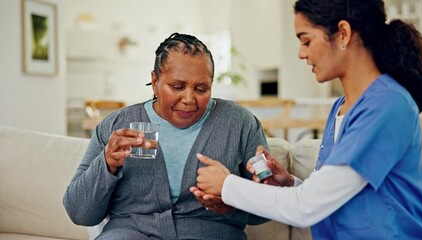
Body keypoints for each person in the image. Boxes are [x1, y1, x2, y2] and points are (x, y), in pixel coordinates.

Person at [191, 0, 422, 239]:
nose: (301, 53)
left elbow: (306, 207)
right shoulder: (341, 108)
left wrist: (227, 184)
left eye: (306, 41)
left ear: (343, 34)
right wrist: (288, 184)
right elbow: (333, 198)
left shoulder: (387, 106)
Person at [63, 32, 269, 239]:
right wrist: (107, 164)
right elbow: (79, 213)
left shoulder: (239, 123)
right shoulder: (115, 126)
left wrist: (230, 203)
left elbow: (269, 205)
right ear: (155, 81)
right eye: (177, 87)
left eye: (201, 88)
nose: (189, 99)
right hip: (130, 232)